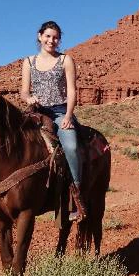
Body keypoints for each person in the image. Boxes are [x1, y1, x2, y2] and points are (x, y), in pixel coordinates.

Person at [20, 21, 86, 221]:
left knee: (72, 147)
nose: (52, 40)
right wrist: (29, 98)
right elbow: (24, 91)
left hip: (59, 112)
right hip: (36, 113)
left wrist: (68, 116)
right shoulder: (29, 62)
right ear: (39, 36)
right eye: (48, 36)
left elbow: (72, 90)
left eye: (55, 37)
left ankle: (76, 196)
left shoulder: (66, 60)